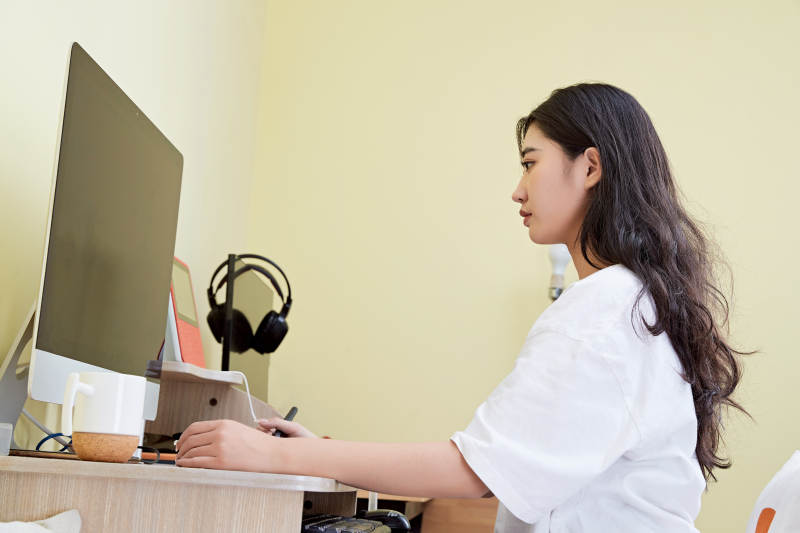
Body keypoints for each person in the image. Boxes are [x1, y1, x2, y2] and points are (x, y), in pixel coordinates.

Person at [175, 83, 747, 532]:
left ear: (590, 167)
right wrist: (323, 454)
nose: (517, 190)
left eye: (530, 163)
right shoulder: (631, 302)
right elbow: (492, 463)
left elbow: (472, 472)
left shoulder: (601, 312)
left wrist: (272, 457)